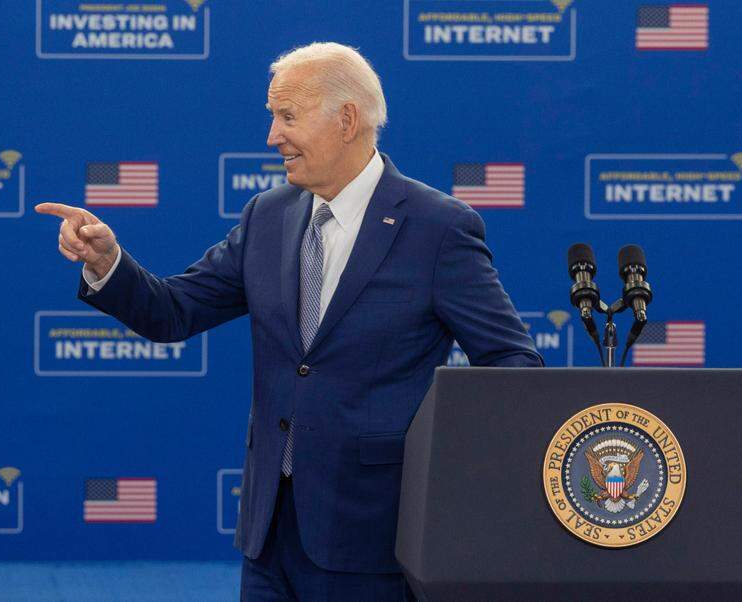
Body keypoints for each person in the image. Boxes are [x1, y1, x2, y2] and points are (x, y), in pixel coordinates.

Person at [37, 42, 541, 601]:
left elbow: (512, 366)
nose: (272, 135)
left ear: (347, 120)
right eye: (273, 116)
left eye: (288, 116)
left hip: (374, 536)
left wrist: (444, 473)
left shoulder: (438, 229)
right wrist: (109, 263)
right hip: (268, 536)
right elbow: (172, 311)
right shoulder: (266, 216)